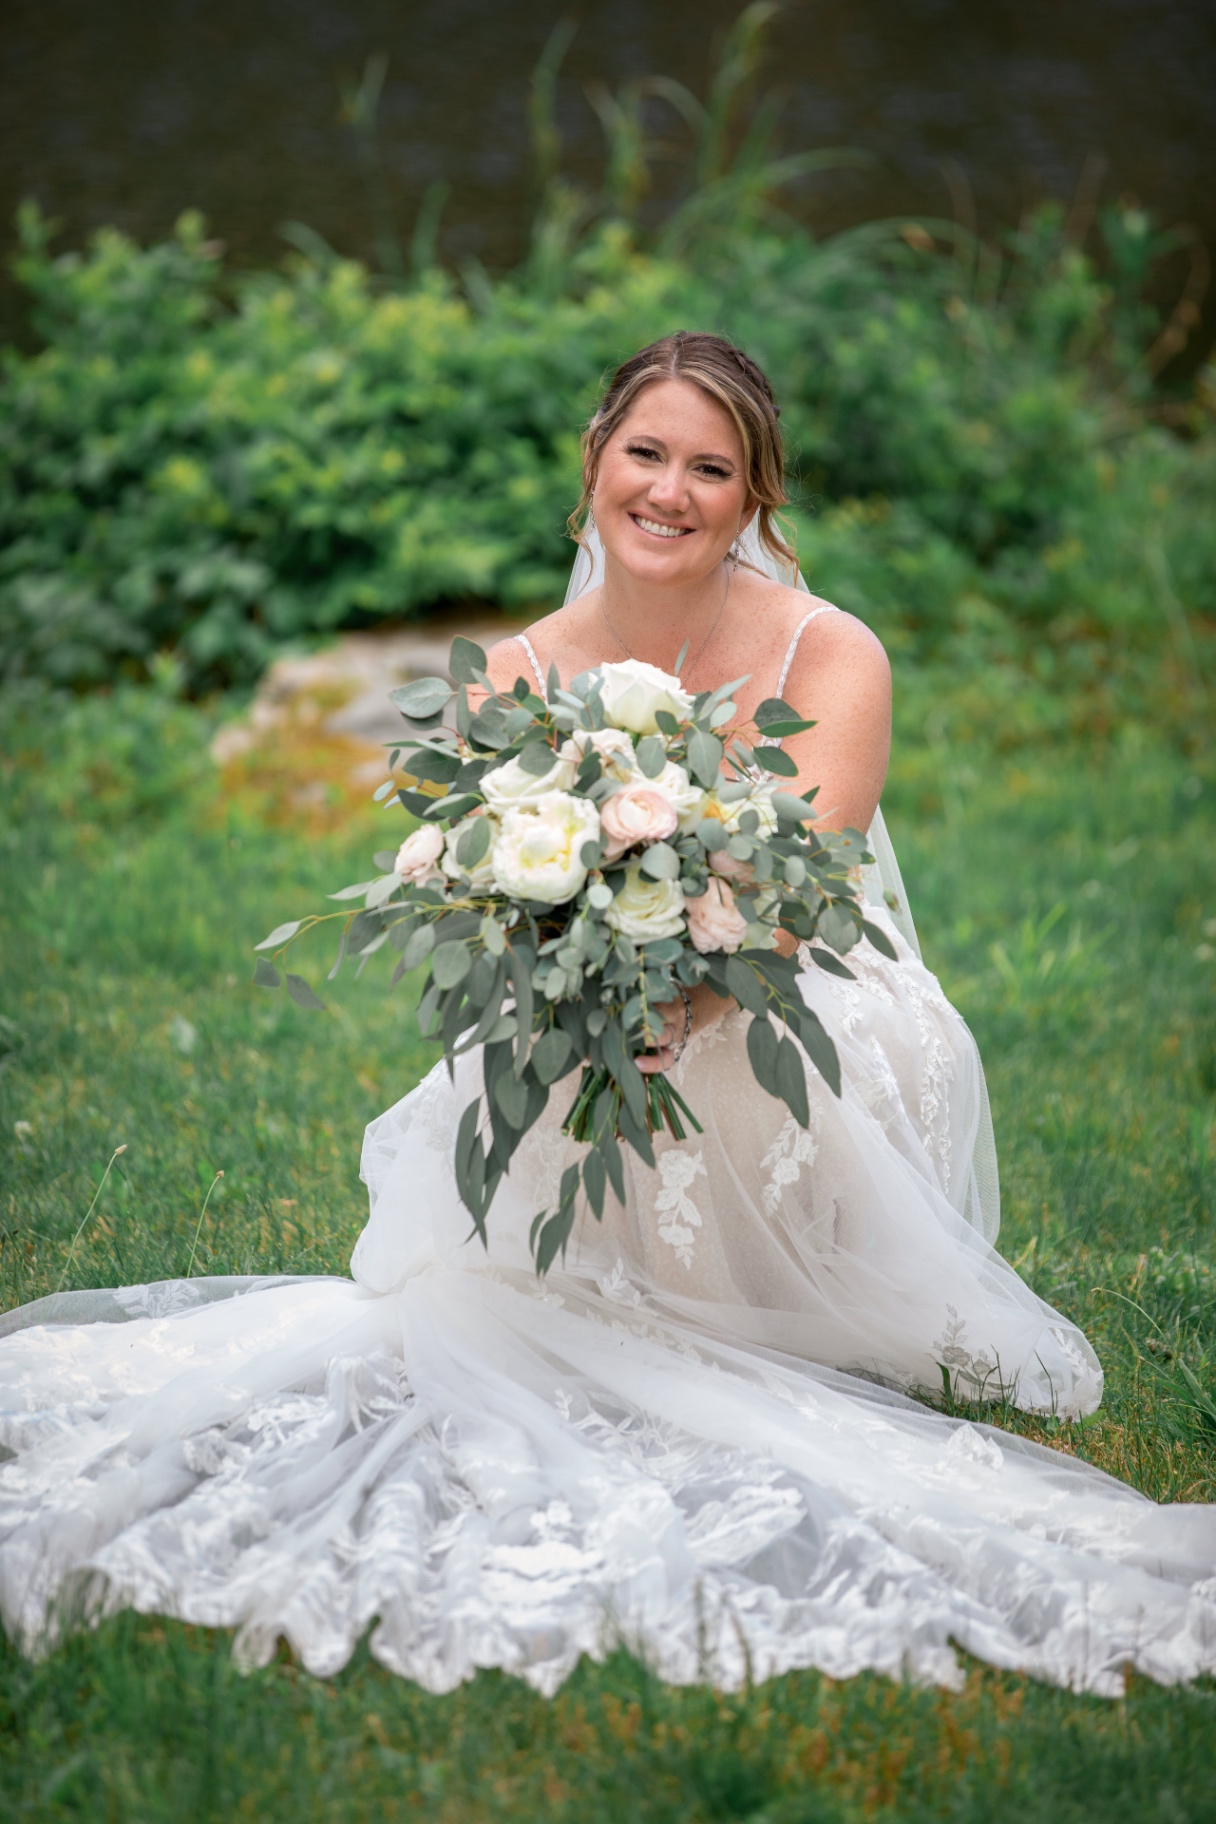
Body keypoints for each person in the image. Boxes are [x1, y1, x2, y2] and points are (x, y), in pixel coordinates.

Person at [0, 334, 1212, 1699]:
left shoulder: (832, 649)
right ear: (595, 465)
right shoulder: (511, 672)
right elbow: (492, 901)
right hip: (585, 1002)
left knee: (756, 1040)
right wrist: (586, 985)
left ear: (756, 497)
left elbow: (802, 899)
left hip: (800, 989)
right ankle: (596, 1285)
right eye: (648, 454)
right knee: (549, 1081)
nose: (672, 491)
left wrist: (691, 989)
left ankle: (779, 1301)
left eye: (714, 468)